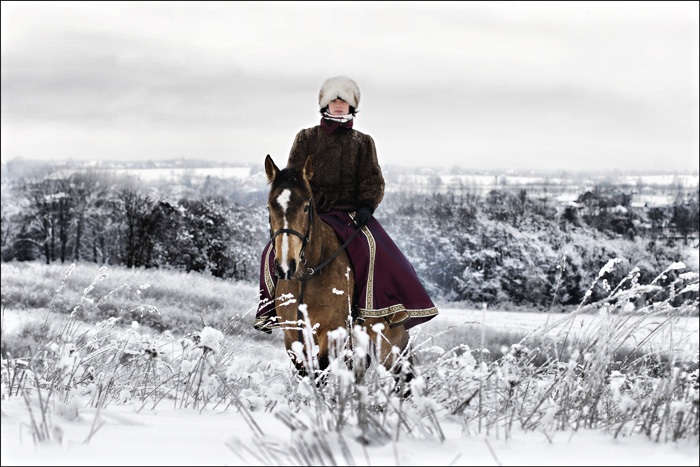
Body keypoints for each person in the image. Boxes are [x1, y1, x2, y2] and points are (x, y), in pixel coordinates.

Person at [254, 76, 438, 333]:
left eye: (343, 101)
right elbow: (293, 178)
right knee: (271, 252)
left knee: (377, 251)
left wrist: (366, 205)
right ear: (325, 105)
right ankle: (270, 310)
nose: (338, 104)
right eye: (333, 100)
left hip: (350, 213)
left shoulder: (363, 142)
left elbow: (372, 179)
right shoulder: (306, 137)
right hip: (311, 212)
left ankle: (384, 309)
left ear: (351, 107)